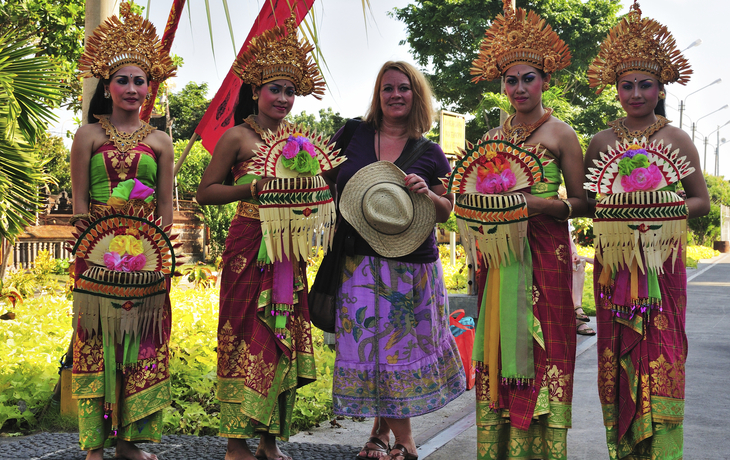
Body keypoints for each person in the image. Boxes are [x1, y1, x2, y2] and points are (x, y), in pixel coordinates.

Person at [196, 14, 326, 460]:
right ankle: (236, 442)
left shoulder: (301, 145)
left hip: (291, 248)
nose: (284, 98)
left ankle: (269, 438)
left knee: (280, 335)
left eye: (291, 90)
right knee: (240, 332)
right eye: (275, 88)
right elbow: (206, 192)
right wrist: (252, 188)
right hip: (249, 243)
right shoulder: (237, 137)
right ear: (255, 90)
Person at [584, 3, 710, 458]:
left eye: (645, 85)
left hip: (664, 260)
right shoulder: (601, 142)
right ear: (616, 89)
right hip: (614, 262)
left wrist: (659, 213)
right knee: (615, 352)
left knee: (664, 351)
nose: (635, 93)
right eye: (627, 85)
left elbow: (701, 200)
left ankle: (663, 452)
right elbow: (593, 203)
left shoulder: (676, 139)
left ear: (660, 89)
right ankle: (623, 449)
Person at [324, 61, 466, 460]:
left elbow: (445, 211)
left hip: (411, 267)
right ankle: (384, 436)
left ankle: (401, 440)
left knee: (396, 353)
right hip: (357, 261)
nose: (395, 95)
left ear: (415, 95)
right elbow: (322, 174)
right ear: (378, 95)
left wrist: (427, 193)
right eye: (387, 88)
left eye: (403, 88)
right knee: (373, 350)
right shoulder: (353, 133)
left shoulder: (430, 151)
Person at [467, 1, 587, 458]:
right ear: (502, 84)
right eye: (510, 80)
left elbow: (581, 202)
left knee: (547, 344)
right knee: (498, 342)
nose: (519, 88)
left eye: (528, 78)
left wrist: (532, 203)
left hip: (545, 253)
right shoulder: (492, 138)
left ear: (545, 81)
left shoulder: (561, 134)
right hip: (499, 258)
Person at [69, 3, 176, 460]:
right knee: (95, 342)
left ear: (150, 87)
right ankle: (96, 445)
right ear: (107, 86)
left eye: (140, 81)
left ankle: (130, 443)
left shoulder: (161, 140)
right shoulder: (88, 135)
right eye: (123, 80)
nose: (133, 89)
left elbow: (167, 208)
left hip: (146, 257)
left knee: (141, 343)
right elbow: (77, 205)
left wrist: (156, 254)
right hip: (96, 254)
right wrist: (94, 244)